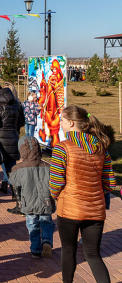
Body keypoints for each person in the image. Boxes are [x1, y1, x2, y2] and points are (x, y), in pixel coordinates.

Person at [50, 105, 116, 283]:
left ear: (71, 123)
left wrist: (58, 196)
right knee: (93, 254)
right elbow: (110, 183)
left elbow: (55, 184)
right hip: (95, 210)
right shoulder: (101, 148)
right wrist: (94, 193)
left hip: (69, 209)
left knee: (68, 250)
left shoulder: (62, 148)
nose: (60, 124)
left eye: (62, 121)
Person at [8, 135, 55, 259]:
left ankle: (35, 249)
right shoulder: (48, 166)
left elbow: (14, 182)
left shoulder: (18, 168)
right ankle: (47, 241)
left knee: (32, 225)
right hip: (46, 201)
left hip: (28, 202)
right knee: (46, 222)